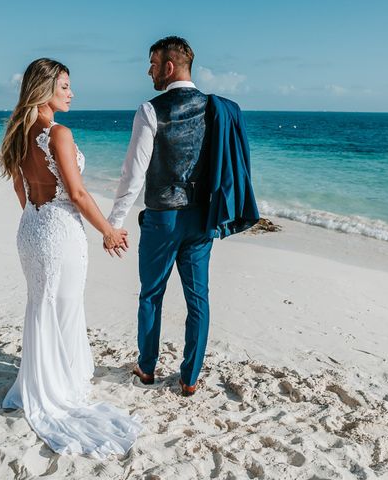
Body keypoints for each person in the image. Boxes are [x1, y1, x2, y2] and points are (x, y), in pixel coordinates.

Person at [0, 58, 141, 457]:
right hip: (60, 230)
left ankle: (41, 381)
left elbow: (21, 190)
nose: (71, 92)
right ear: (45, 90)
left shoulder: (17, 133)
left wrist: (37, 216)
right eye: (64, 86)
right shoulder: (57, 133)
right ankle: (59, 387)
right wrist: (109, 231)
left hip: (31, 227)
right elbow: (77, 194)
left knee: (41, 305)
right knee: (63, 308)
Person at [107, 36, 259, 397]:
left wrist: (114, 221)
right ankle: (189, 378)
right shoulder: (215, 109)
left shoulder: (150, 110)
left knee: (151, 295)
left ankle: (146, 368)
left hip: (162, 219)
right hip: (202, 219)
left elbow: (133, 173)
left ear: (169, 67)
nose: (149, 71)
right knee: (198, 300)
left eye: (153, 64)